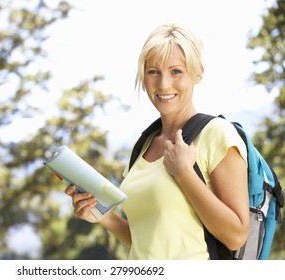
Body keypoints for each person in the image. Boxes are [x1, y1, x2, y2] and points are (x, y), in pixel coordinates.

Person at [65, 23, 250, 260]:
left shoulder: (217, 134)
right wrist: (104, 217)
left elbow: (236, 236)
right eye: (153, 71)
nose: (163, 84)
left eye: (176, 72)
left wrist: (184, 173)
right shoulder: (142, 145)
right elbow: (150, 238)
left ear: (197, 72)